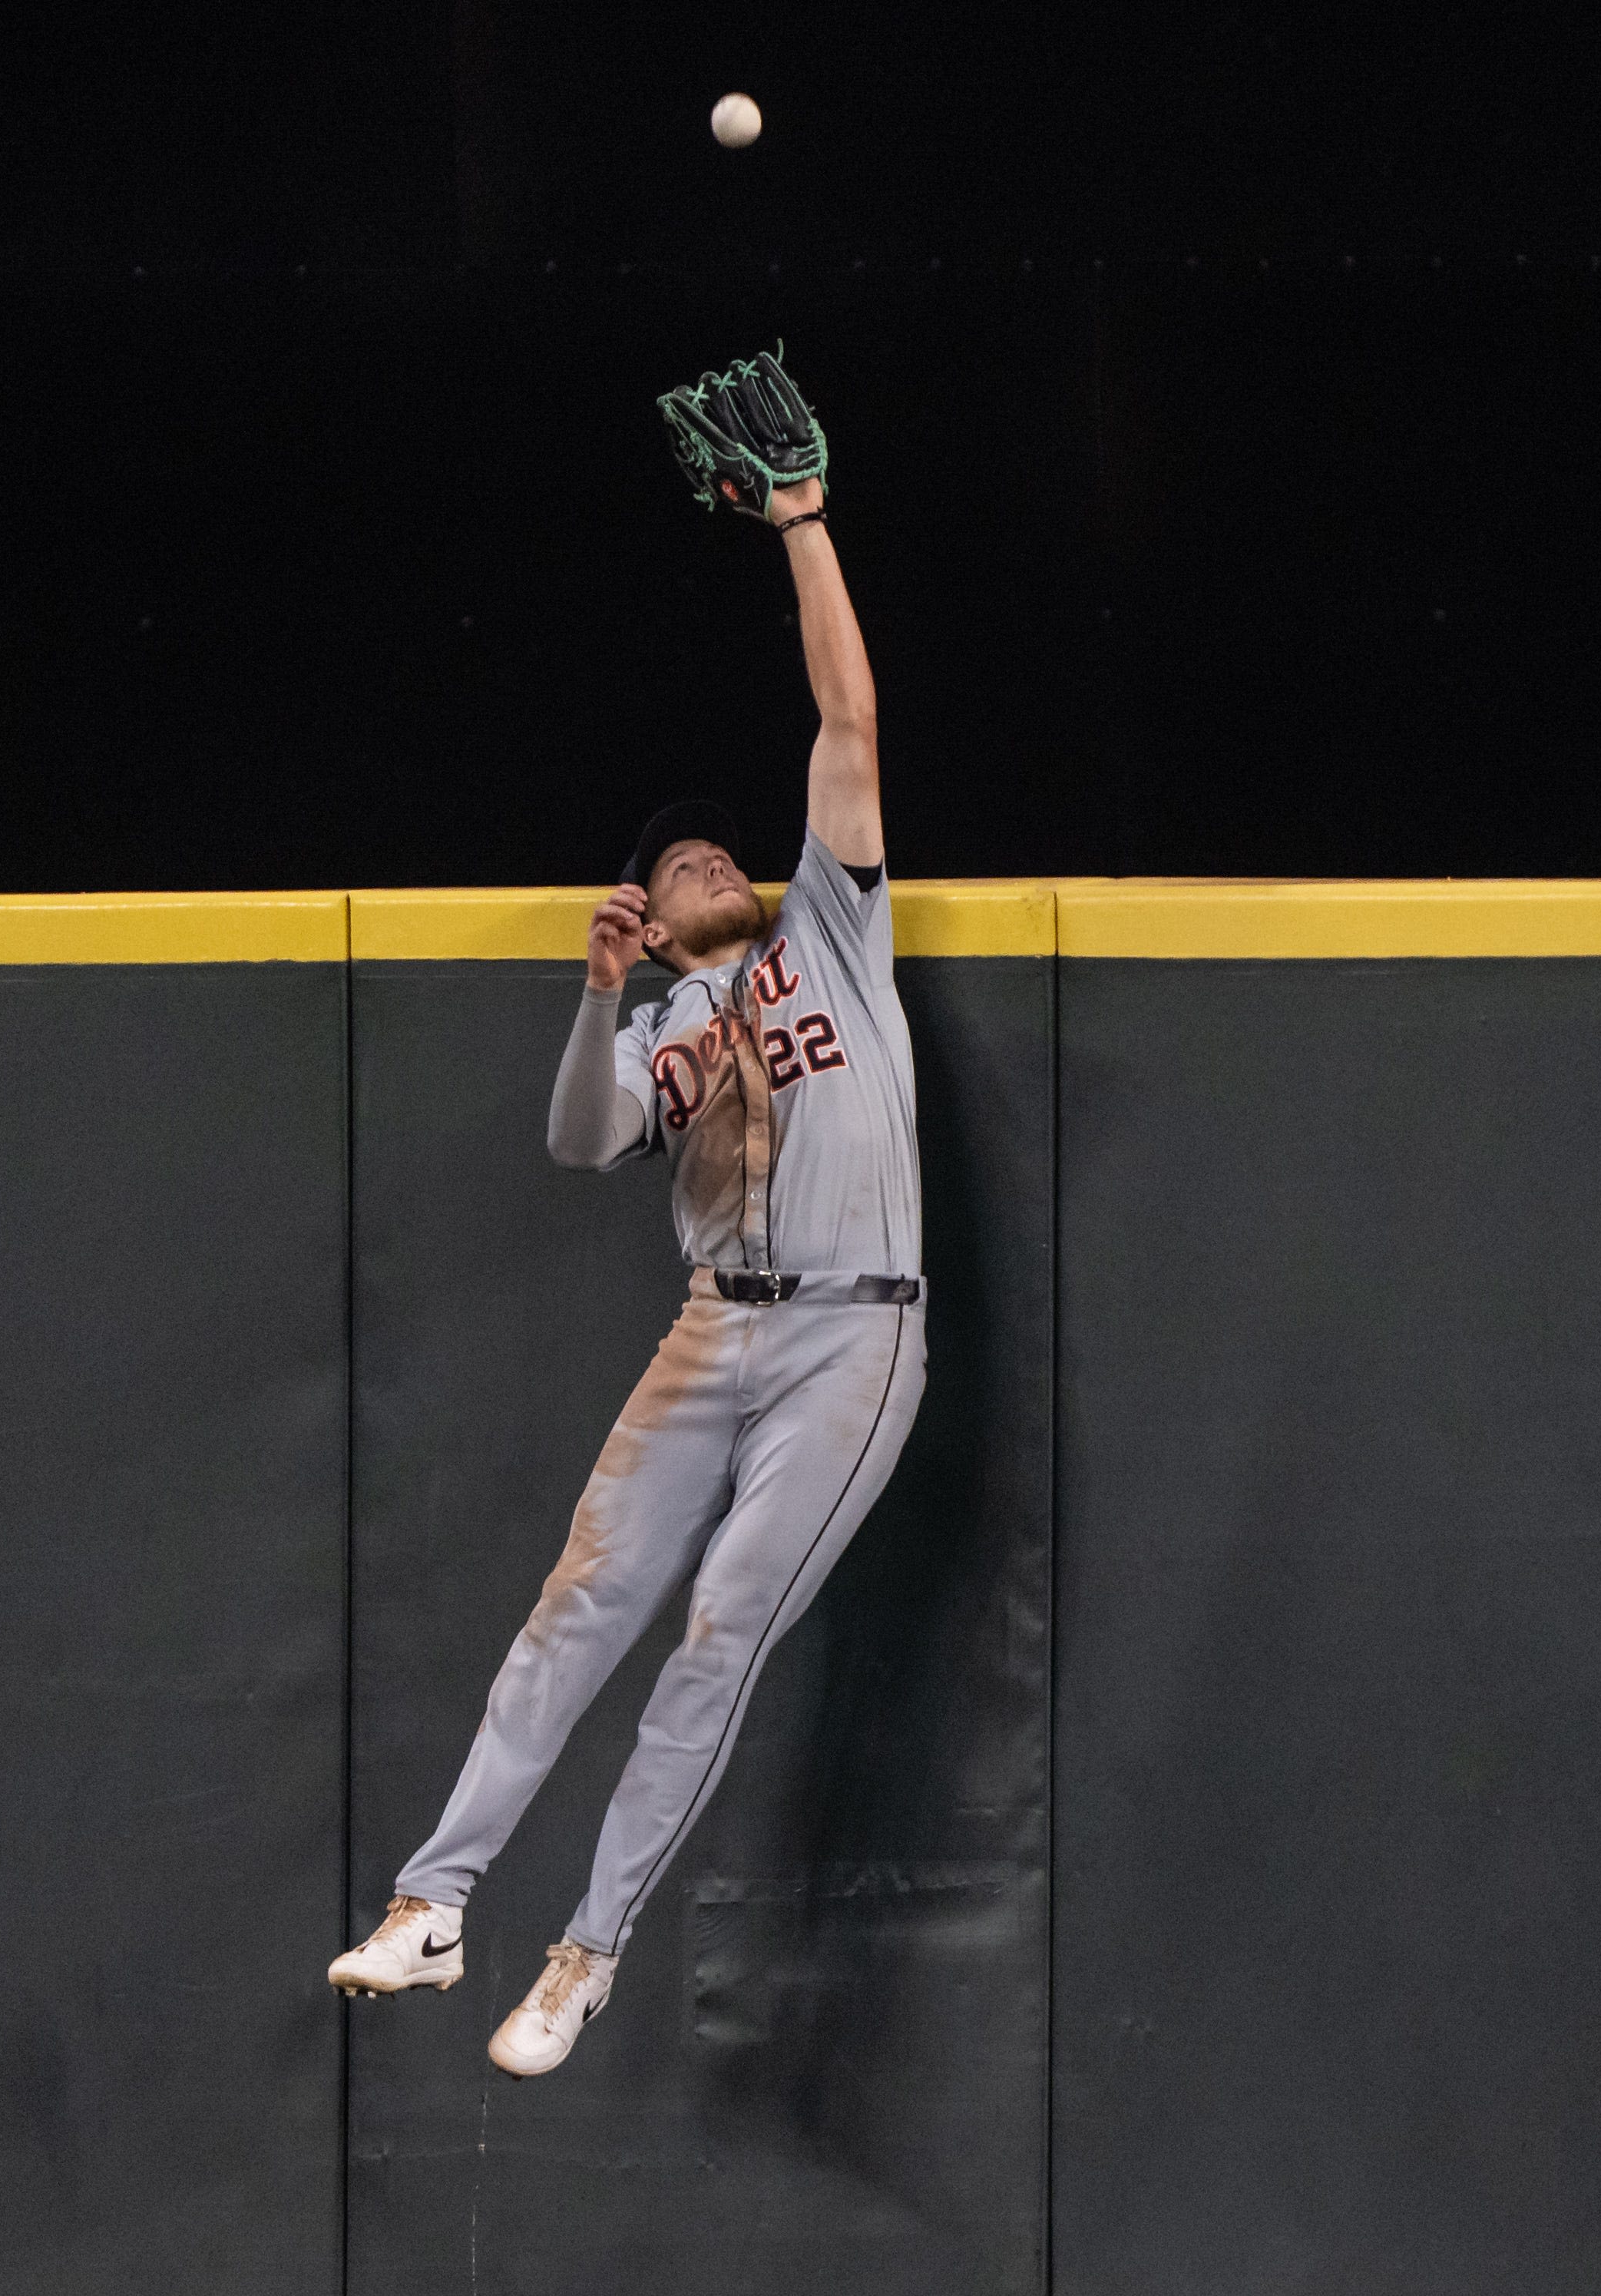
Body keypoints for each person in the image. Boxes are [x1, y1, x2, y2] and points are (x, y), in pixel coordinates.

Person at [325, 362, 925, 2081]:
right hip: (711, 1325)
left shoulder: (829, 930)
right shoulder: (658, 1020)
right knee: (576, 1606)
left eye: (713, 851)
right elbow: (585, 1145)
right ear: (652, 923)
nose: (706, 861)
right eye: (676, 867)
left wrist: (801, 529)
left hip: (853, 1332)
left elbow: (849, 726)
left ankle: (586, 1953)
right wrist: (595, 1003)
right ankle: (437, 1903)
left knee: (720, 1623)